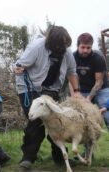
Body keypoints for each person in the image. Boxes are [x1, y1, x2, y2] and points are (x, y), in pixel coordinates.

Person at [13, 25, 81, 169]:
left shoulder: (66, 52)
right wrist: (18, 69)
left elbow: (72, 71)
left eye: (65, 44)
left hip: (51, 89)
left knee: (56, 121)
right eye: (59, 44)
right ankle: (28, 159)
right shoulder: (37, 47)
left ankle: (60, 158)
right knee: (36, 121)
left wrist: (77, 91)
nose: (62, 47)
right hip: (30, 88)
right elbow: (18, 65)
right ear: (51, 42)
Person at [71, 32, 109, 130]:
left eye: (88, 48)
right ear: (77, 46)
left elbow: (99, 82)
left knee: (107, 114)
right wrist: (74, 95)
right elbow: (70, 78)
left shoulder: (98, 58)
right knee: (82, 119)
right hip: (82, 89)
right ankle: (87, 144)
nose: (85, 50)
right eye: (83, 47)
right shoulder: (72, 58)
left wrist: (89, 98)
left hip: (101, 89)